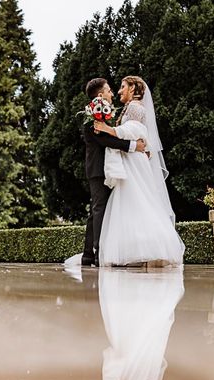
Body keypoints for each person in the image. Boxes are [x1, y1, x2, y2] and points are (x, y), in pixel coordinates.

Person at [94, 76, 184, 267]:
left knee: (138, 200)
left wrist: (106, 129)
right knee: (131, 201)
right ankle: (135, 250)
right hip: (131, 159)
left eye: (123, 86)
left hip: (134, 161)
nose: (119, 91)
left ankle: (147, 249)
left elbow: (131, 131)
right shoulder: (128, 108)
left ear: (133, 88)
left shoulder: (135, 107)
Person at [80, 78, 147, 267]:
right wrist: (134, 146)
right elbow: (105, 141)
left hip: (109, 168)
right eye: (109, 90)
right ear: (100, 95)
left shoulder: (104, 114)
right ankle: (99, 252)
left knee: (98, 211)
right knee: (100, 209)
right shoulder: (92, 115)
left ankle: (89, 255)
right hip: (99, 169)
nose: (113, 93)